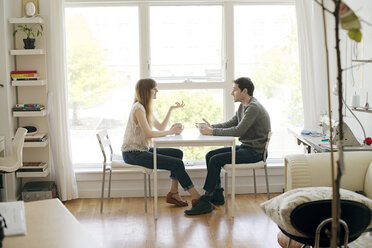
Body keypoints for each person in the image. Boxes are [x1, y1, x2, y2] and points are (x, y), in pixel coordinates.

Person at [185, 77, 271, 215]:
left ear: (244, 91)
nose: (232, 93)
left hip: (255, 153)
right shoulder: (244, 106)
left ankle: (206, 199)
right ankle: (218, 195)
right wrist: (212, 126)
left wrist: (212, 132)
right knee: (210, 155)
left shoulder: (253, 108)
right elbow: (233, 122)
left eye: (235, 90)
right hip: (247, 148)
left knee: (215, 160)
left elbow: (238, 130)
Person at [122, 78, 201, 207]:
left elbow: (160, 127)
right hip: (133, 153)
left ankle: (173, 193)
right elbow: (149, 133)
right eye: (154, 88)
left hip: (141, 150)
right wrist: (170, 132)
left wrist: (170, 109)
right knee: (177, 164)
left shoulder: (145, 108)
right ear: (147, 91)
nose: (157, 90)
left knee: (177, 153)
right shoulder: (138, 109)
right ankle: (196, 197)